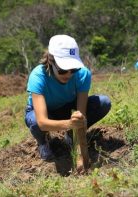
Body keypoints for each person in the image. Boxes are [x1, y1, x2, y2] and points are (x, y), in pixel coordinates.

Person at [24, 35, 111, 170]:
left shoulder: (83, 74)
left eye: (73, 69)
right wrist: (69, 124)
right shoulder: (38, 77)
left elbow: (81, 115)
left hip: (68, 107)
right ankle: (43, 142)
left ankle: (71, 136)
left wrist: (81, 153)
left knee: (104, 102)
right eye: (63, 70)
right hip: (45, 112)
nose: (69, 74)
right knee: (35, 121)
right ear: (50, 60)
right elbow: (42, 122)